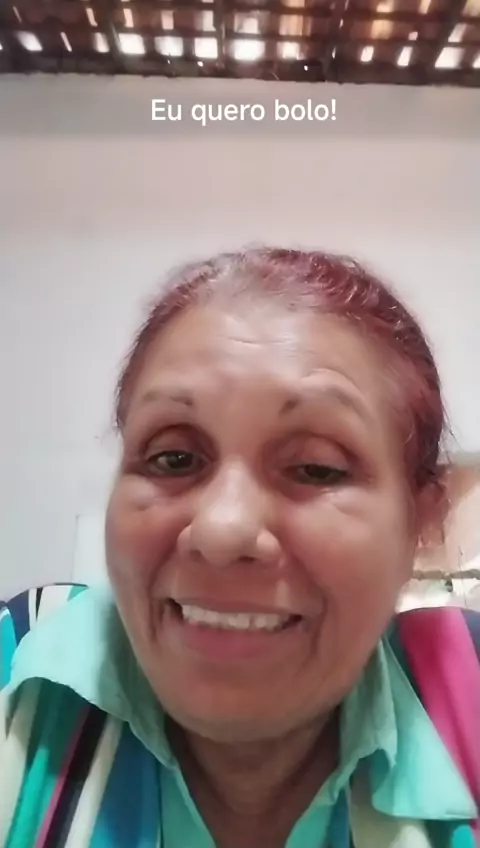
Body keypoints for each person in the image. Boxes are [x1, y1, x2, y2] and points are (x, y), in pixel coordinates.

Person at [1, 247, 479, 848]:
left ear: (422, 524)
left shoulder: (467, 685)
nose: (222, 531)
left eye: (315, 468)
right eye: (174, 458)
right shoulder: (17, 663)